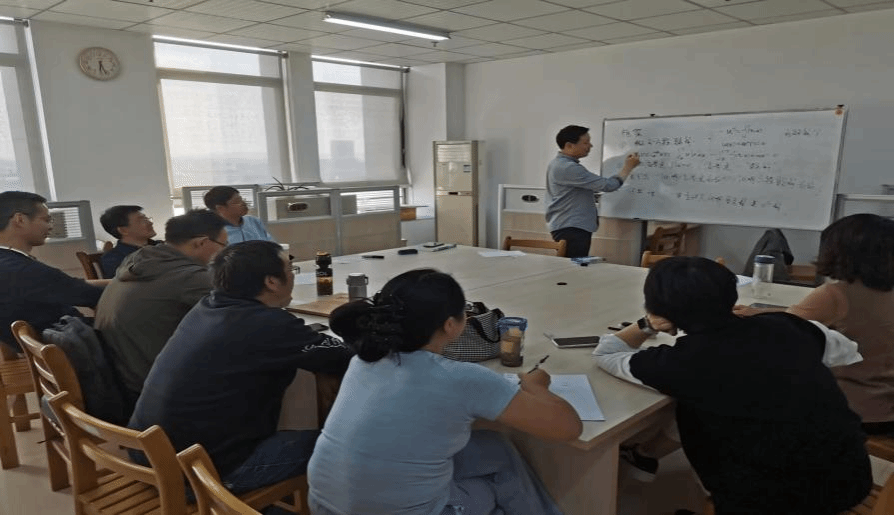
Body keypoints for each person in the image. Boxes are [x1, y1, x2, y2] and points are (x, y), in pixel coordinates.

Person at [593, 257, 871, 514]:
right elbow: (847, 350)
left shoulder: (681, 363)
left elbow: (606, 354)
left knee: (696, 404)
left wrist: (647, 324)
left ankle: (644, 457)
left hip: (766, 500)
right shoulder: (789, 326)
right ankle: (646, 455)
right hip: (850, 475)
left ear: (659, 308)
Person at [308, 268, 582, 515]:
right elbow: (568, 428)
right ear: (451, 325)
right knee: (494, 490)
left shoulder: (365, 359)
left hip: (324, 504)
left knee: (495, 447)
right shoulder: (461, 378)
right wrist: (536, 386)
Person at [129, 240, 353, 494]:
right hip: (200, 474)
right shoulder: (268, 324)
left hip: (149, 457)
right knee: (339, 443)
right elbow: (343, 357)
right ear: (271, 281)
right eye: (289, 270)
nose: (292, 275)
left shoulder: (206, 307)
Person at [735, 213, 894, 435]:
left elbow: (781, 328)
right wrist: (759, 311)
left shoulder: (835, 294)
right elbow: (798, 318)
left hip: (851, 410)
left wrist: (747, 316)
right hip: (887, 408)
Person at [94, 209, 227, 413]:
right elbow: (244, 315)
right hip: (157, 390)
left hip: (124, 378)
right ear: (201, 243)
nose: (225, 253)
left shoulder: (140, 260)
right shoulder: (190, 277)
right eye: (224, 246)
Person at [0, 191, 105, 351]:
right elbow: (92, 295)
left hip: (49, 345)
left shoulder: (9, 261)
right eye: (46, 220)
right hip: (73, 348)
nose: (50, 226)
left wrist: (116, 281)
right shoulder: (23, 270)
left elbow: (71, 285)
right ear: (20, 219)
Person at [545, 125, 641, 258]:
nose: (590, 146)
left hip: (569, 226)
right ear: (569, 145)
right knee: (573, 266)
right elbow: (608, 186)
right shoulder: (567, 167)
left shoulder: (560, 164)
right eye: (585, 142)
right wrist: (627, 168)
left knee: (574, 265)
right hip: (571, 227)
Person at [98, 205, 161, 278]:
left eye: (147, 218)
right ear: (123, 230)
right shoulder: (114, 259)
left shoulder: (161, 246)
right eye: (142, 220)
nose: (150, 223)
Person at [203, 186, 274, 244]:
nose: (243, 203)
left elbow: (271, 244)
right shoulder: (214, 232)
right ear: (220, 208)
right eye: (237, 201)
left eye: (241, 199)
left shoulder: (253, 221)